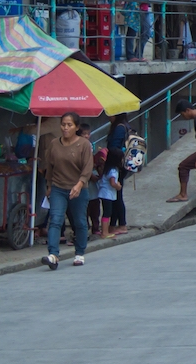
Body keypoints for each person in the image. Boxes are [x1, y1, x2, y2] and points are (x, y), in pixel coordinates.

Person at [41, 112, 94, 270]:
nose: (65, 128)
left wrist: (79, 185)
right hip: (58, 187)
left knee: (79, 222)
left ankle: (79, 253)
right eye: (63, 124)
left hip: (79, 188)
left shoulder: (83, 145)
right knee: (56, 219)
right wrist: (49, 186)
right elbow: (49, 166)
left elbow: (87, 168)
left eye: (69, 125)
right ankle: (53, 255)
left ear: (76, 127)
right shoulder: (54, 144)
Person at [104, 112, 131, 234]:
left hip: (117, 165)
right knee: (115, 195)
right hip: (123, 164)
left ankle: (121, 224)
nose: (109, 116)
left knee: (117, 195)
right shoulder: (126, 126)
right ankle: (113, 225)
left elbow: (114, 148)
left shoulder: (119, 128)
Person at [95, 151, 121, 239]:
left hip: (104, 193)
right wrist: (118, 186)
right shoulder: (113, 170)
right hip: (107, 194)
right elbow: (113, 183)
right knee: (107, 213)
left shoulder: (107, 168)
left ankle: (105, 231)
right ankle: (104, 232)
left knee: (107, 212)